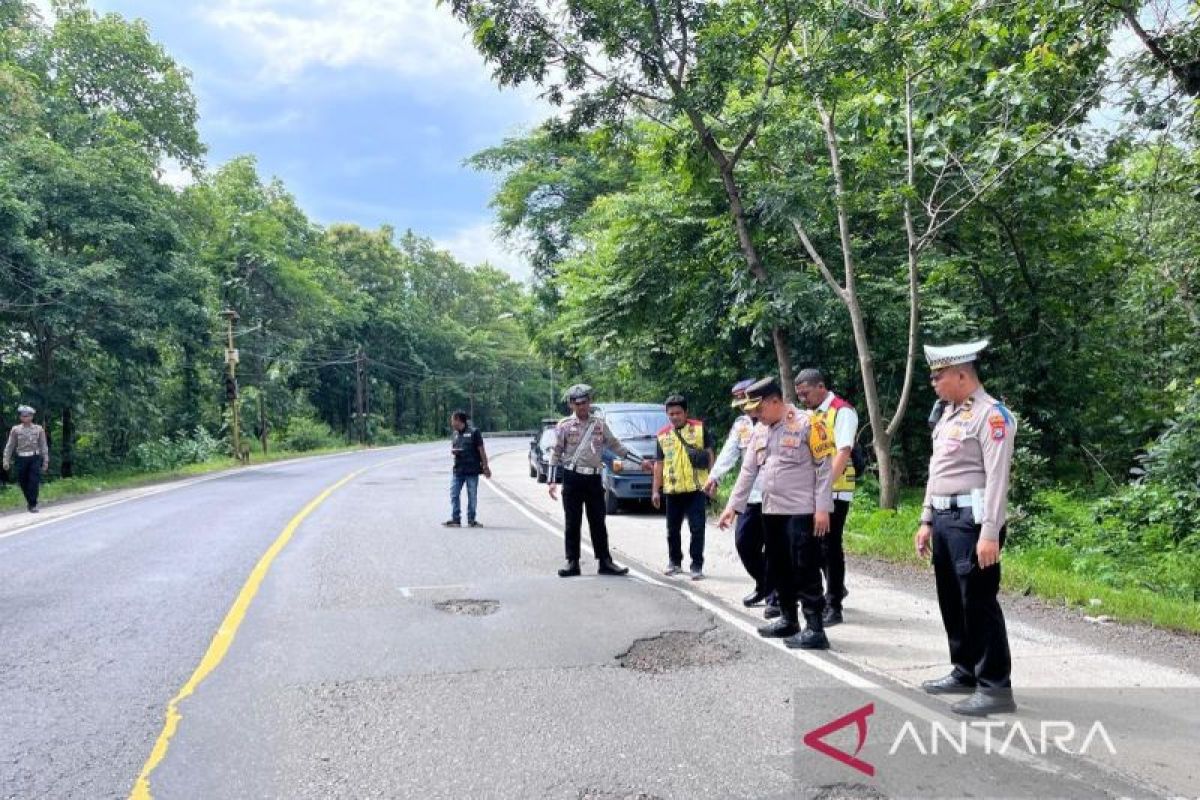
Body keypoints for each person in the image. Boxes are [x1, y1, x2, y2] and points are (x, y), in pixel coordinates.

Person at [914, 339, 1018, 716]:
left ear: (961, 374)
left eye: (938, 376)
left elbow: (997, 479)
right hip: (944, 519)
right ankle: (964, 669)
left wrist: (990, 532)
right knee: (951, 599)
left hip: (972, 523)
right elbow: (936, 470)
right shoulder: (949, 414)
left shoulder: (991, 416)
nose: (934, 382)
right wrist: (926, 518)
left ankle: (995, 688)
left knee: (977, 601)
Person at [718, 378, 834, 649]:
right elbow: (748, 471)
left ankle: (815, 628)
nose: (755, 415)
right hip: (772, 511)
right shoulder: (760, 430)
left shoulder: (808, 423)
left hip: (802, 511)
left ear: (774, 401)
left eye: (759, 408)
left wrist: (822, 508)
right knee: (779, 566)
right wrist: (733, 507)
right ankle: (788, 619)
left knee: (804, 567)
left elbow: (824, 468)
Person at [547, 384, 647, 577]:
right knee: (572, 522)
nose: (582, 407)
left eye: (584, 402)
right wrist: (551, 481)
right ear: (571, 405)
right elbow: (556, 452)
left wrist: (640, 462)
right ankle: (572, 562)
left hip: (593, 477)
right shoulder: (564, 425)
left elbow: (616, 446)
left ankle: (605, 561)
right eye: (577, 404)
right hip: (572, 477)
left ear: (589, 402)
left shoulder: (599, 424)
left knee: (598, 521)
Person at [794, 368, 860, 627]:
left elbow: (843, 453)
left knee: (830, 547)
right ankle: (832, 590)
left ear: (820, 387)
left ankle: (834, 606)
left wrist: (823, 489)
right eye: (799, 395)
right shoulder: (809, 414)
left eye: (806, 393)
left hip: (836, 488)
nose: (802, 399)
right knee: (814, 547)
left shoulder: (841, 411)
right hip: (813, 490)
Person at [705, 379, 773, 606]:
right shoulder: (742, 424)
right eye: (740, 401)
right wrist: (714, 476)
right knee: (744, 544)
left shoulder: (775, 420)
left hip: (777, 496)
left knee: (775, 547)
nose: (744, 405)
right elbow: (729, 453)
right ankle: (765, 584)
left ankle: (777, 595)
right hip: (751, 496)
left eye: (747, 400)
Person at [652, 394, 716, 580]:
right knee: (672, 530)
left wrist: (713, 482)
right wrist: (655, 490)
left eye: (678, 413)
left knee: (697, 529)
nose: (674, 417)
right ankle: (674, 562)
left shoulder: (699, 429)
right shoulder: (662, 435)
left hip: (696, 489)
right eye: (670, 413)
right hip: (672, 491)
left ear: (686, 412)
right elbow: (659, 464)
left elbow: (710, 455)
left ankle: (697, 565)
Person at [443, 410, 491, 528]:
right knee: (454, 494)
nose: (451, 423)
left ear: (458, 420)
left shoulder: (474, 432)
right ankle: (456, 519)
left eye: (452, 420)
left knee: (472, 495)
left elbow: (481, 450)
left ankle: (471, 520)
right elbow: (455, 447)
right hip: (458, 470)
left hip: (472, 470)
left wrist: (485, 467)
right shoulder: (454, 434)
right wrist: (455, 452)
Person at [3, 405, 50, 513]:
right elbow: (10, 445)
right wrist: (6, 459)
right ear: (20, 417)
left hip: (34, 458)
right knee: (23, 482)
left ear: (32, 417)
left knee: (34, 481)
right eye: (23, 416)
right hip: (21, 458)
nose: (25, 418)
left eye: (27, 416)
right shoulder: (15, 430)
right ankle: (30, 501)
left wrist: (46, 460)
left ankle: (33, 504)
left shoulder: (39, 429)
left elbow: (43, 445)